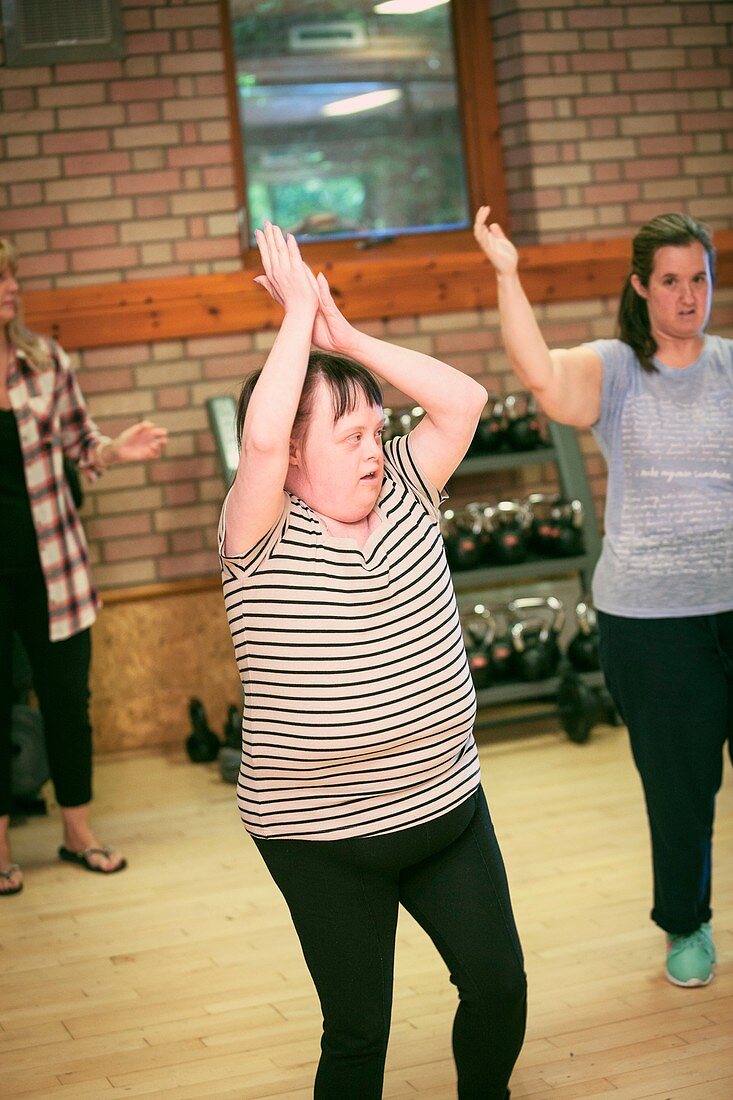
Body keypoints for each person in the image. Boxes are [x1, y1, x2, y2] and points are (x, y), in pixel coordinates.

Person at [218, 222, 527, 1099]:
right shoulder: (260, 530)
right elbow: (262, 443)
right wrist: (293, 322)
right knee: (359, 1036)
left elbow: (462, 401)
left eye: (375, 430)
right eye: (347, 435)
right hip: (318, 840)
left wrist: (343, 338)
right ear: (295, 459)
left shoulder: (407, 486)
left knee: (499, 988)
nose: (371, 447)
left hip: (444, 809)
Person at [473, 205, 733, 988]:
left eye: (699, 279)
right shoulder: (615, 368)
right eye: (670, 282)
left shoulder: (729, 366)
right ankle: (684, 925)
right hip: (651, 624)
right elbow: (538, 376)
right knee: (681, 790)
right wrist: (507, 275)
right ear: (640, 288)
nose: (687, 297)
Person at [0, 238, 168, 896]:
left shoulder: (46, 362)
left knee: (70, 703)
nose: (10, 288)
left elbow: (82, 445)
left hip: (55, 566)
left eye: (12, 275)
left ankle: (79, 833)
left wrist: (116, 451)